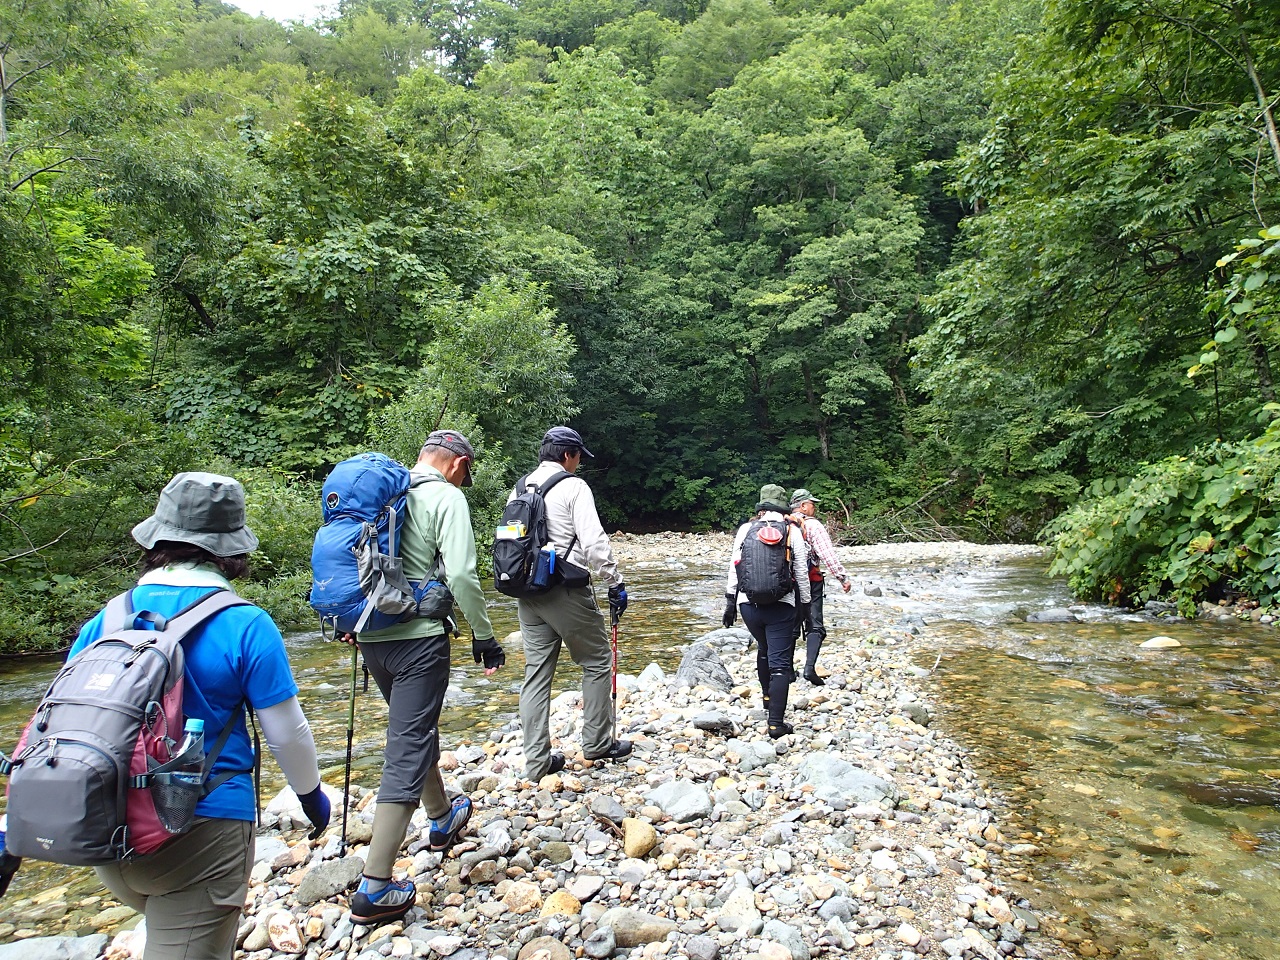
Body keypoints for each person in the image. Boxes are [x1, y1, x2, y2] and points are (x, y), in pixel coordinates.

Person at [69, 472, 331, 960]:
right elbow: (286, 733)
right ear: (231, 547)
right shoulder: (244, 622)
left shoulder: (107, 617)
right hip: (199, 835)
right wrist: (312, 797)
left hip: (105, 830)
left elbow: (68, 722)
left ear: (158, 538)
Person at [347, 429, 504, 926]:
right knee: (408, 742)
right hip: (418, 637)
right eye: (468, 472)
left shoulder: (379, 493)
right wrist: (484, 634)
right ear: (457, 464)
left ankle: (442, 818)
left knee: (412, 730)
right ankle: (375, 885)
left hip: (370, 635)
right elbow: (461, 574)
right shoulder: (446, 496)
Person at [514, 425, 630, 781]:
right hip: (566, 589)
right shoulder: (573, 486)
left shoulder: (519, 488)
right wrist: (615, 581)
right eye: (578, 456)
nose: (579, 464)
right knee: (597, 660)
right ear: (567, 455)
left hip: (526, 591)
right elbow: (594, 544)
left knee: (536, 674)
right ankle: (597, 743)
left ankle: (536, 762)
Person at [722, 484, 810, 739]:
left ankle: (767, 698)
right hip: (781, 607)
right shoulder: (792, 531)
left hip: (748, 606)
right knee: (781, 665)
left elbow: (734, 568)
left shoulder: (746, 530)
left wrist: (730, 602)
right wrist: (804, 610)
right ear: (783, 507)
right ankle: (775, 724)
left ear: (761, 506)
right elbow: (801, 574)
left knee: (764, 648)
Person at [789, 488, 852, 685]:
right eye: (812, 504)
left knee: (790, 626)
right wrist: (842, 577)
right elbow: (827, 554)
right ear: (803, 506)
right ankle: (809, 669)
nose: (814, 507)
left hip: (786, 582)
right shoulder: (812, 525)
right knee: (815, 626)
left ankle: (788, 671)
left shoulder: (783, 524)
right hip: (810, 580)